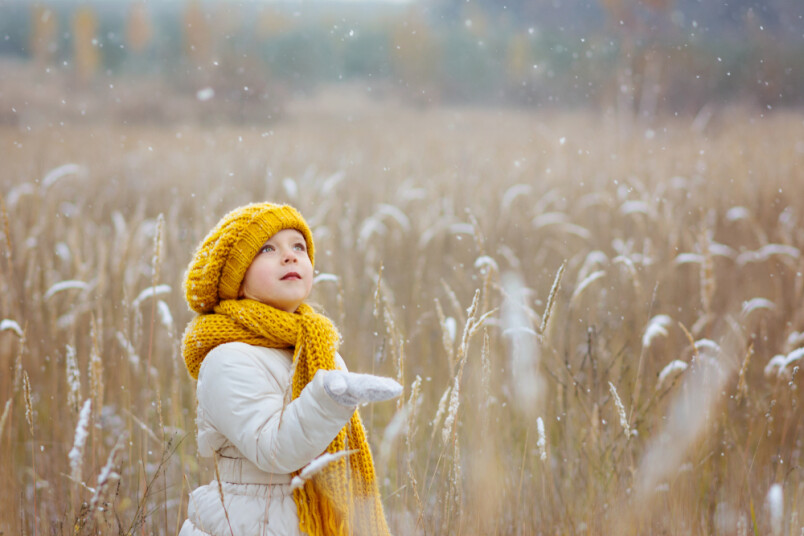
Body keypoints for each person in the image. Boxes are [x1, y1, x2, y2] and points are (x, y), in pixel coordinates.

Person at [178, 202, 401, 536]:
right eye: (267, 249)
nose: (290, 256)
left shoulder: (317, 346)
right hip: (250, 520)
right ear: (235, 280)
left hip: (307, 520)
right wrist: (330, 399)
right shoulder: (227, 359)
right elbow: (274, 451)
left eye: (299, 246)